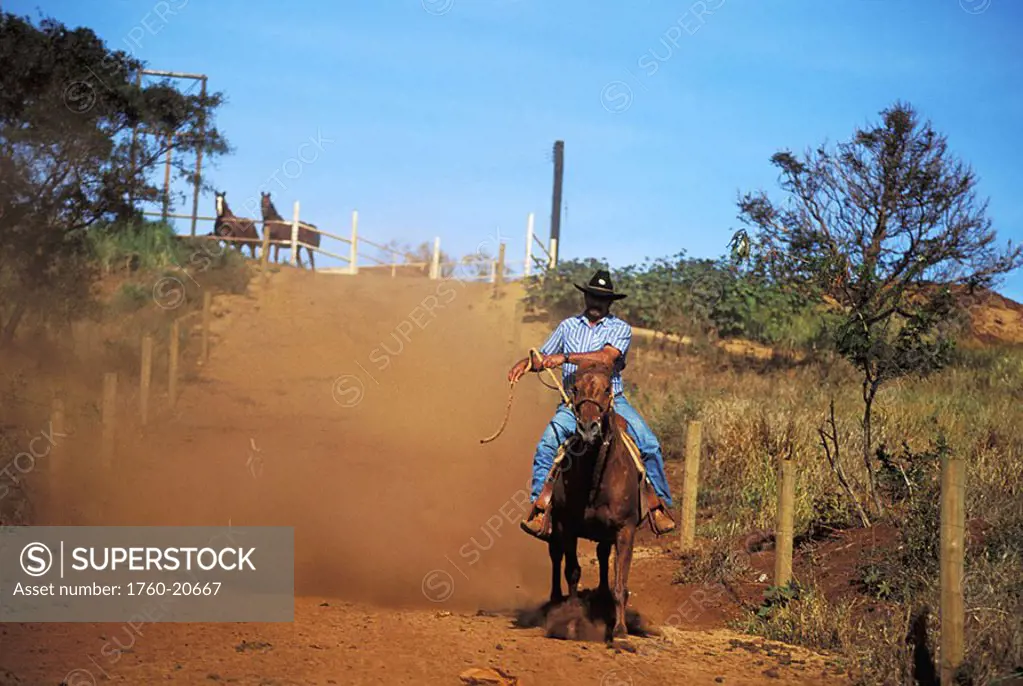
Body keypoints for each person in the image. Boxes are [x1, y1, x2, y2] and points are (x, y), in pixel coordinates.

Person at [508, 269, 676, 538]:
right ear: (586, 297)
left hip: (611, 403)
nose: (596, 303)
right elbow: (544, 357)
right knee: (547, 446)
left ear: (610, 303)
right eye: (593, 297)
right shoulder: (567, 326)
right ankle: (541, 509)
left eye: (602, 299)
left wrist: (564, 358)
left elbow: (606, 359)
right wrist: (528, 363)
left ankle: (659, 507)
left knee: (648, 444)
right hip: (572, 404)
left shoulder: (620, 328)